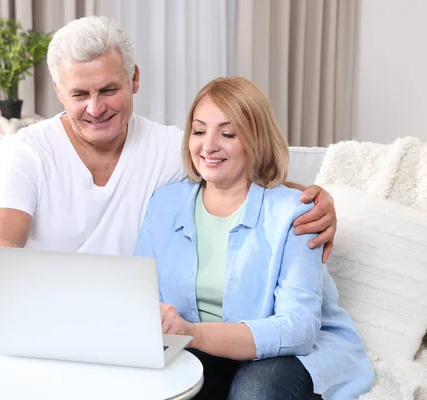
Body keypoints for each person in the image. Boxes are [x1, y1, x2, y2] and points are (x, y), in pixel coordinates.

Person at [0, 16, 337, 344]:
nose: (95, 108)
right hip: (29, 310)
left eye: (109, 89)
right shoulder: (25, 152)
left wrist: (313, 198)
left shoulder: (172, 148)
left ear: (134, 79)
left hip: (123, 321)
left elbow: (240, 176)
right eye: (79, 94)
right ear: (58, 91)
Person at [134, 76, 374, 400]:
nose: (208, 146)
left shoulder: (296, 213)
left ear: (255, 140)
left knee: (255, 392)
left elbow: (298, 329)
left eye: (228, 133)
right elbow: (142, 297)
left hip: (291, 355)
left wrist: (194, 334)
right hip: (203, 350)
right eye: (199, 130)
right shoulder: (165, 204)